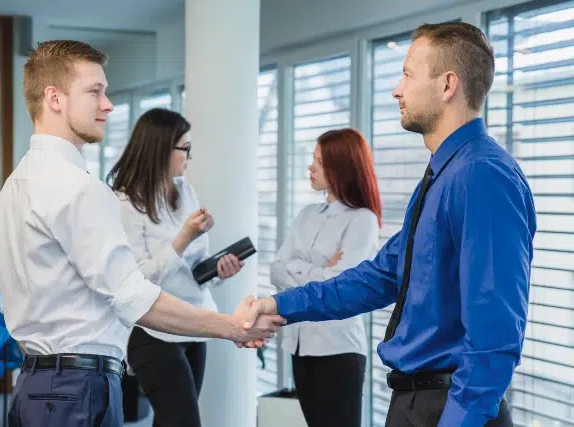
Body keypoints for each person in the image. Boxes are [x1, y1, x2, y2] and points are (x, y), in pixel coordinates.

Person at [241, 22, 536, 427]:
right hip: (416, 401)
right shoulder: (442, 175)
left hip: (449, 407)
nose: (397, 89)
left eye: (408, 75)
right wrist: (279, 305)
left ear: (447, 84)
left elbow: (495, 337)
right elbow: (380, 276)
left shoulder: (482, 175)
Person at [0, 40, 283, 427]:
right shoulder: (78, 188)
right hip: (75, 386)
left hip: (37, 383)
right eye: (94, 91)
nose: (107, 104)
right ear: (54, 98)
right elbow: (134, 296)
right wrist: (232, 327)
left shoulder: (15, 185)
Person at [106, 108, 244, 427]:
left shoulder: (185, 191)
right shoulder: (124, 203)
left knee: (173, 421)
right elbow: (137, 280)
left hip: (194, 322)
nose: (189, 157)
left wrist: (218, 271)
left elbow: (193, 266)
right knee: (182, 421)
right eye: (185, 148)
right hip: (151, 329)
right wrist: (183, 237)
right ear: (161, 149)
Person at [270, 128, 381, 427]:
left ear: (340, 165)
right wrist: (316, 271)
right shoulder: (307, 214)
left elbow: (341, 286)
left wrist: (298, 267)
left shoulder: (362, 220)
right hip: (299, 345)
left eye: (319, 160)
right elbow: (276, 269)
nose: (311, 166)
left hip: (338, 349)